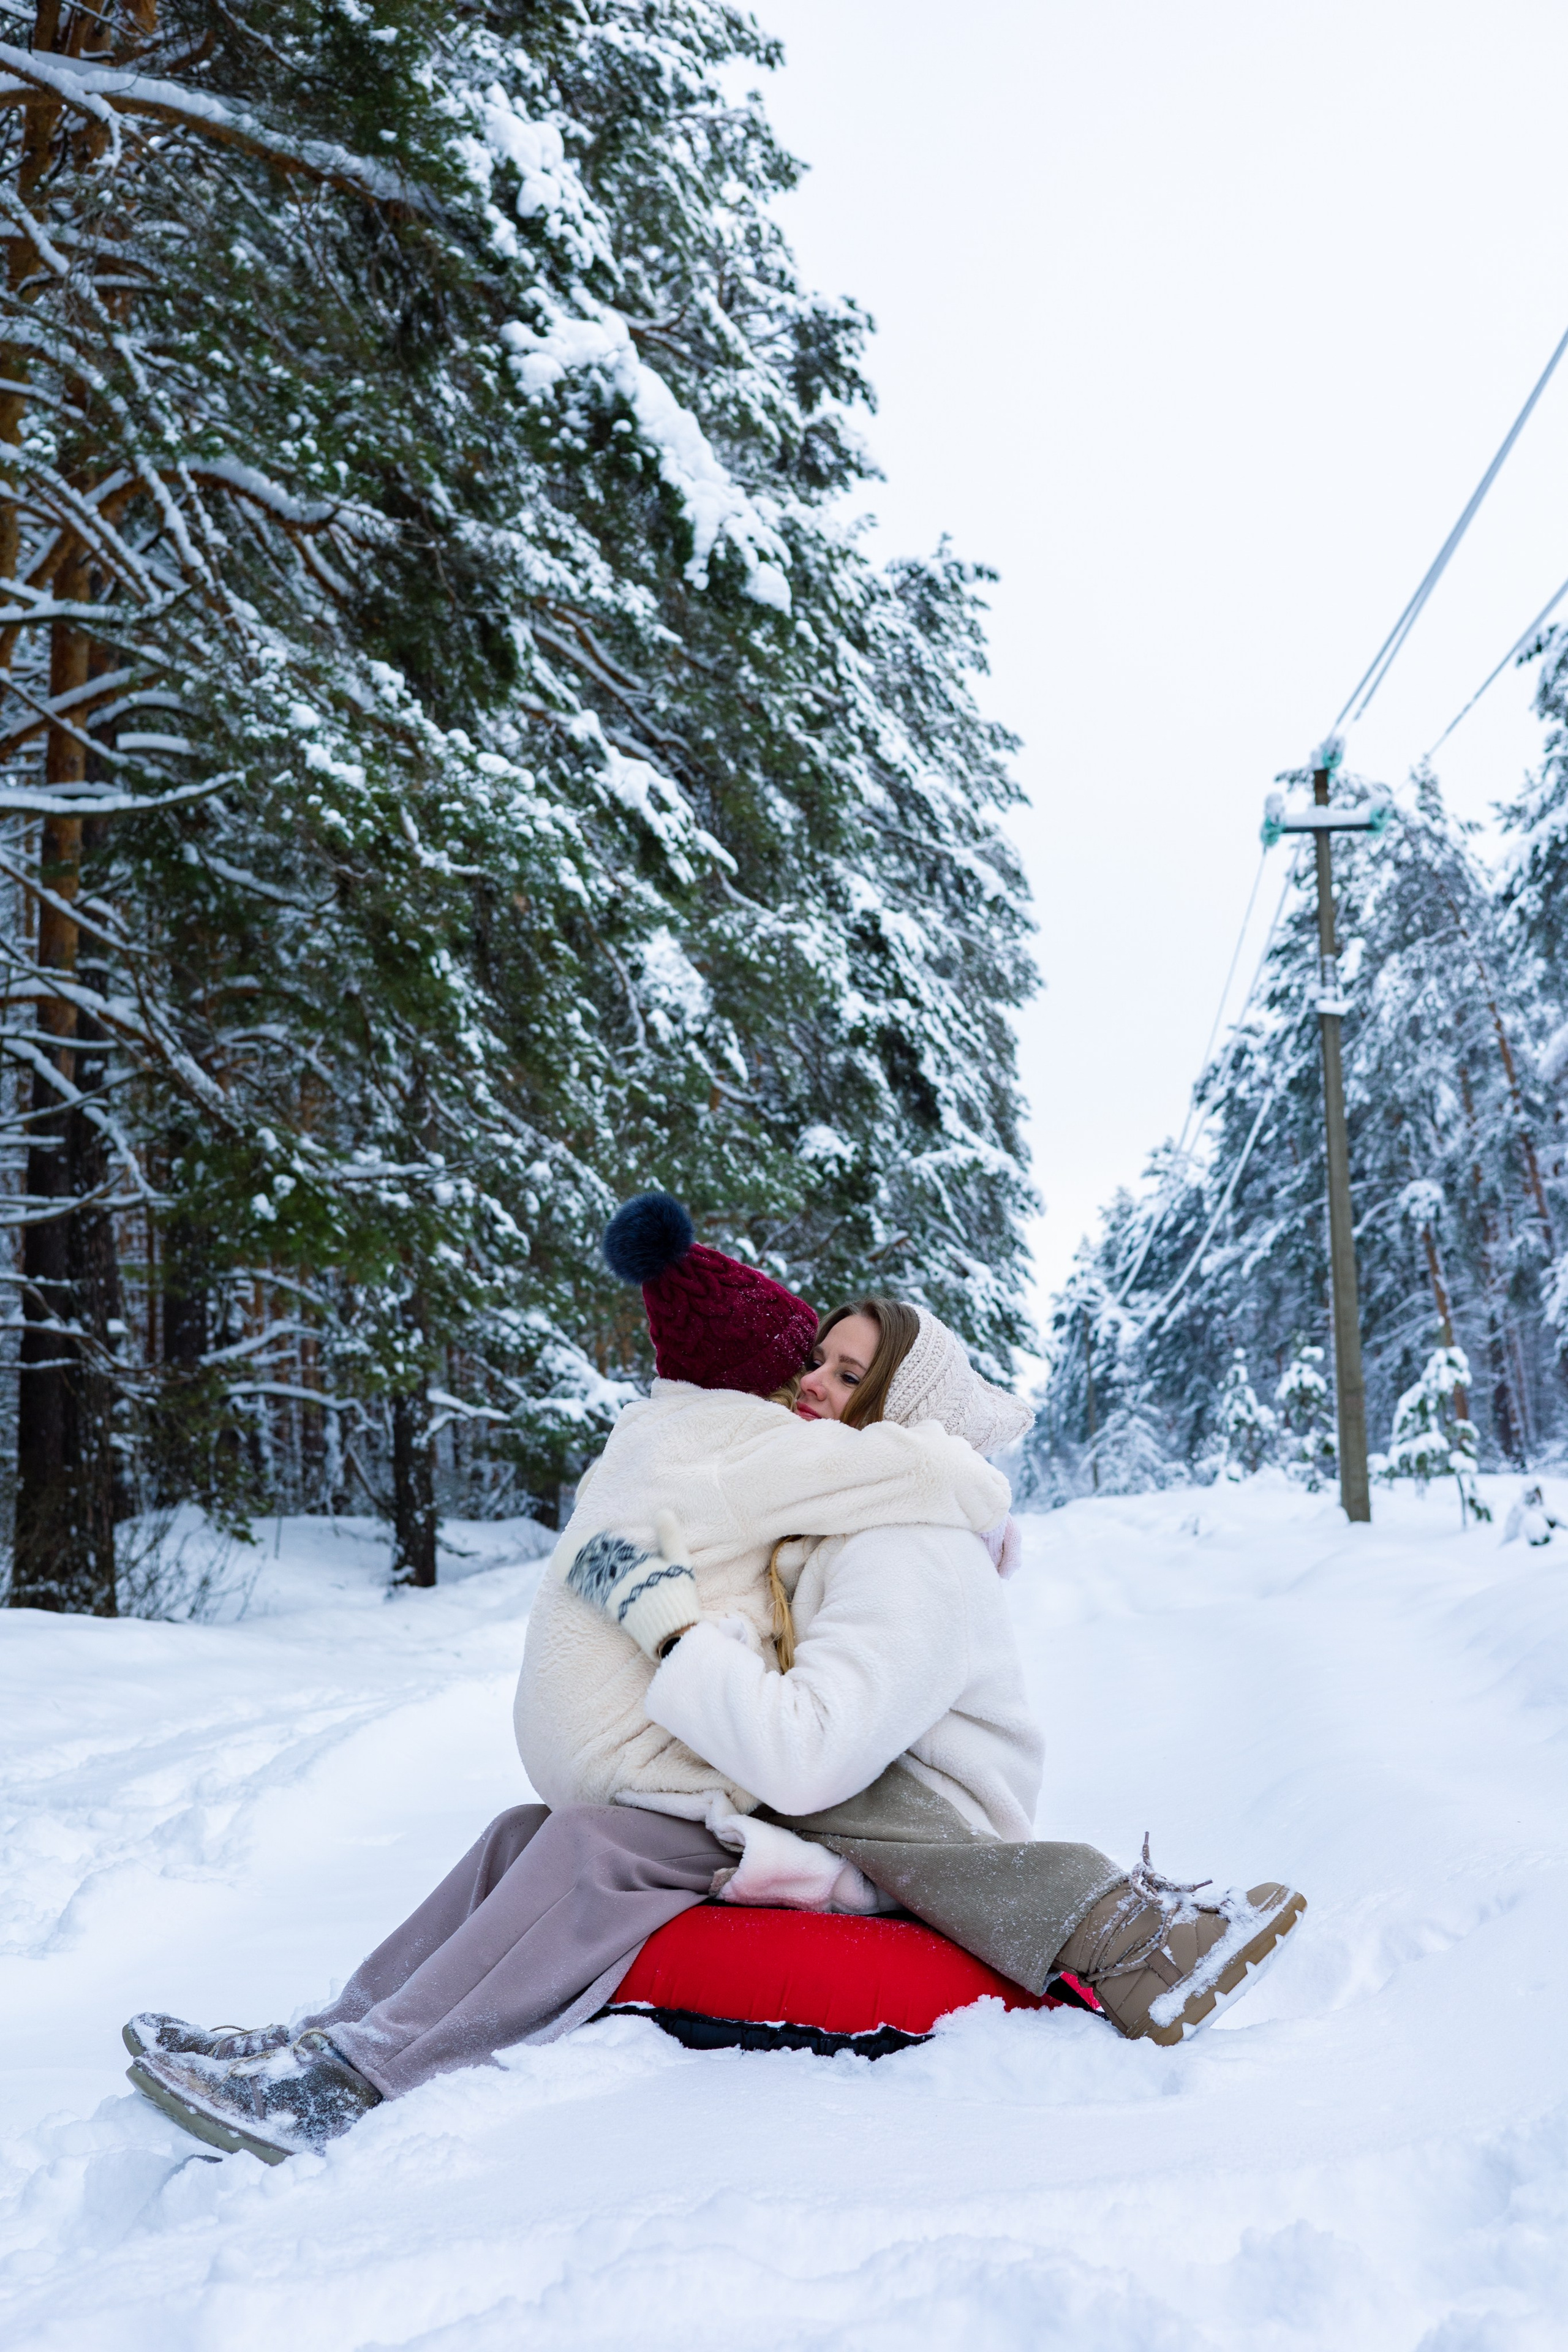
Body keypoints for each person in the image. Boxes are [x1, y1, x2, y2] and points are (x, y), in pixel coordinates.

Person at [124, 1207, 1305, 2166]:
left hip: (910, 1849)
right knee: (520, 1836)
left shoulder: (911, 1552)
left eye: (847, 1373)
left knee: (590, 1849)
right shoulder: (842, 1528)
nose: (810, 1385)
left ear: (903, 1409)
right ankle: (322, 2035)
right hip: (825, 1810)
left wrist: (676, 1631)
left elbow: (810, 1756)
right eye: (817, 1360)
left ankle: (357, 2083)